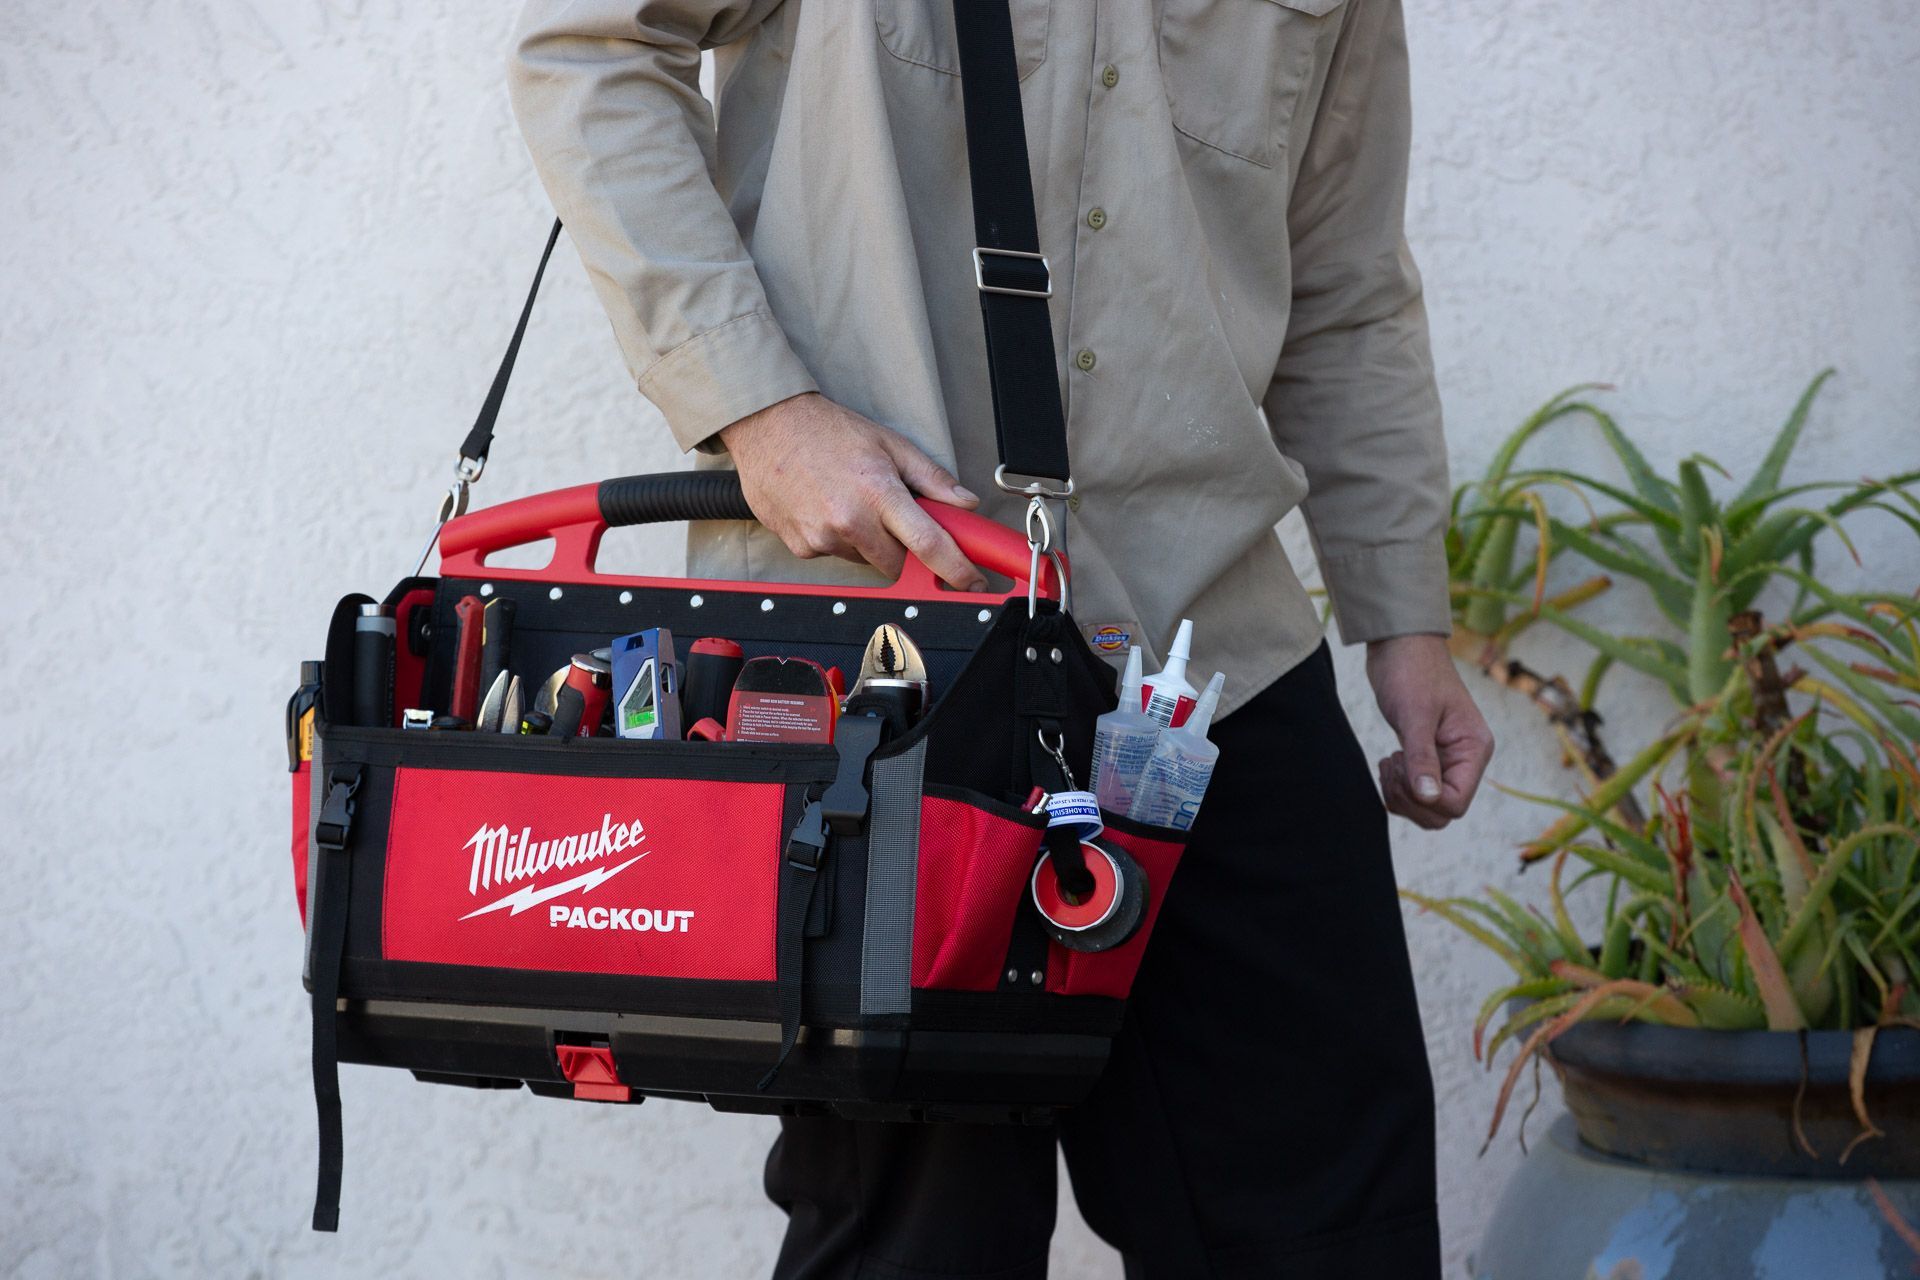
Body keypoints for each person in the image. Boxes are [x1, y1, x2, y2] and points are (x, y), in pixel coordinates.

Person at [507, 1, 1493, 1274]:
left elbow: (1348, 275)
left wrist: (1402, 622)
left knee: (1326, 1228)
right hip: (885, 668)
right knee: (920, 1242)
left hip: (1207, 658)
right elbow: (587, 49)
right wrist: (761, 409)